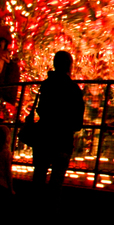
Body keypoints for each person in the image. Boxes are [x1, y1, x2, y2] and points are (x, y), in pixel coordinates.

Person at [32, 51, 85, 196]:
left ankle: (34, 206)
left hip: (44, 137)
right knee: (56, 181)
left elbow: (41, 109)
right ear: (70, 66)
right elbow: (78, 121)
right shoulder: (74, 89)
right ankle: (51, 210)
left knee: (39, 175)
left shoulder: (46, 85)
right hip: (63, 140)